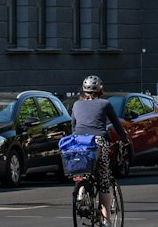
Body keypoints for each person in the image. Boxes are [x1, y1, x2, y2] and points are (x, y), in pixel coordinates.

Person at [68, 76, 126, 223]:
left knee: (82, 168)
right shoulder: (105, 104)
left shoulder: (76, 105)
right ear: (100, 90)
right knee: (104, 181)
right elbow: (117, 124)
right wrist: (124, 139)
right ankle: (106, 220)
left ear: (83, 90)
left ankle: (81, 189)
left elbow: (73, 126)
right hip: (98, 141)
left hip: (78, 142)